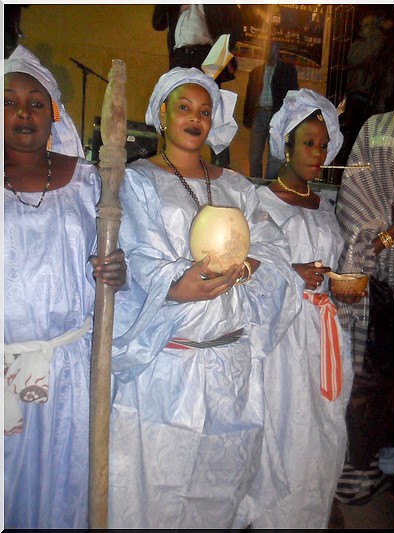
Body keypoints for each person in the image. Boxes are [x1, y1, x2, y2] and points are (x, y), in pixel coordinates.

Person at [108, 67, 304, 529]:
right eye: (184, 108)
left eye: (204, 111)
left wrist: (247, 265)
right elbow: (138, 253)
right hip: (165, 368)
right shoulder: (139, 181)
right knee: (153, 488)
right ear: (162, 113)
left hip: (228, 373)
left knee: (217, 491)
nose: (195, 118)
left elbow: (272, 249)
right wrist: (179, 287)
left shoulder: (236, 186)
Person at [3, 45, 127, 529]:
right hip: (4, 372)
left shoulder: (87, 182)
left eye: (36, 103)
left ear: (53, 113)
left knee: (64, 490)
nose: (23, 113)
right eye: (9, 102)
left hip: (70, 374)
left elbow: (115, 263)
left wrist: (116, 272)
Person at [253, 88, 355, 528]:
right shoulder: (261, 203)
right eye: (308, 143)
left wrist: (341, 288)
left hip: (324, 333)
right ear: (286, 145)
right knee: (284, 427)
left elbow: (331, 267)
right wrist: (290, 274)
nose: (318, 153)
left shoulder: (325, 206)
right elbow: (246, 270)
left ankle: (313, 513)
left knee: (322, 427)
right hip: (283, 334)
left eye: (324, 144)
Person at [334, 110, 394, 505]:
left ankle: (369, 469)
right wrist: (392, 233)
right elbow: (357, 247)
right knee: (361, 392)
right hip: (368, 304)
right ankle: (351, 480)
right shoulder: (379, 131)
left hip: (383, 304)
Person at [152, 4, 243, 168]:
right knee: (174, 107)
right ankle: (171, 162)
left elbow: (236, 26)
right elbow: (157, 23)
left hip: (206, 55)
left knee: (211, 110)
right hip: (180, 56)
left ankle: (221, 165)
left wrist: (218, 56)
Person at [243, 42, 298, 179]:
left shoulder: (288, 70)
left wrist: (290, 119)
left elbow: (293, 96)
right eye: (268, 49)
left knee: (274, 157)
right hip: (259, 114)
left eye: (274, 50)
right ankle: (255, 184)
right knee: (254, 155)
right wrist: (247, 119)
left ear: (278, 52)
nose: (271, 53)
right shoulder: (256, 72)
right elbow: (249, 96)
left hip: (277, 117)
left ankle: (269, 186)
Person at [335, 12, 385, 166]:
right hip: (358, 101)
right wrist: (378, 31)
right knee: (352, 144)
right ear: (360, 31)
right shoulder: (357, 48)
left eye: (373, 25)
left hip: (374, 104)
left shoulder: (382, 50)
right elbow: (362, 55)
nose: (371, 28)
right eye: (367, 25)